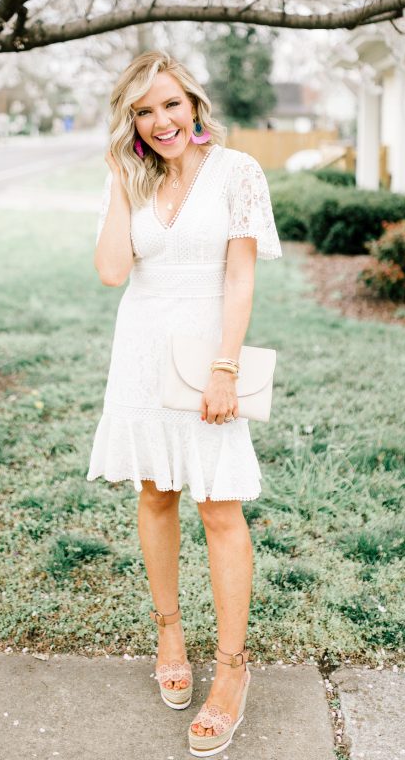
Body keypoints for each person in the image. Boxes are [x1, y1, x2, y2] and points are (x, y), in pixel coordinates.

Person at [86, 49, 282, 757]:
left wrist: (224, 367)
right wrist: (117, 175)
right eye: (142, 110)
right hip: (138, 357)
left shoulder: (237, 173)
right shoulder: (133, 180)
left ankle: (231, 672)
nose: (160, 121)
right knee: (155, 495)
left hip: (206, 358)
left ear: (193, 104)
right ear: (130, 122)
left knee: (219, 508)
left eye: (169, 104)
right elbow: (112, 272)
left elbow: (238, 281)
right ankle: (168, 633)